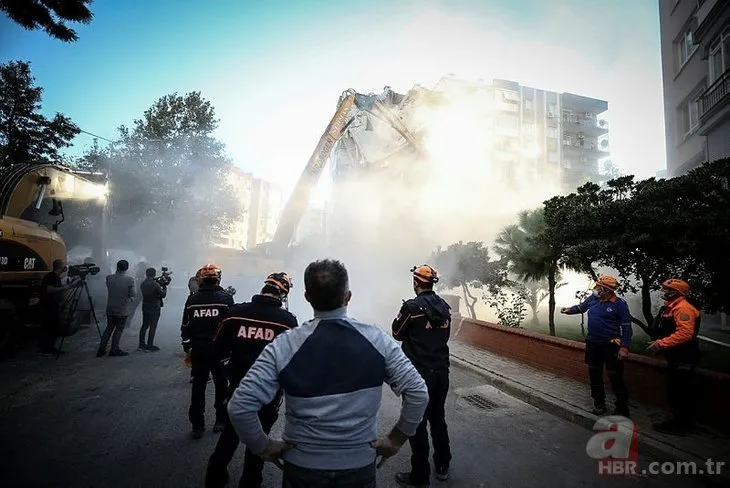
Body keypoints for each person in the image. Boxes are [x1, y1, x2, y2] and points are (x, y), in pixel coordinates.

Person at [227, 259, 429, 488]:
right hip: (359, 465)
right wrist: (395, 440)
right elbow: (418, 393)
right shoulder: (377, 340)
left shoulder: (284, 345)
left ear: (307, 297)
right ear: (348, 296)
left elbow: (240, 405)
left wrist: (262, 446)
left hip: (302, 468)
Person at [206, 272, 298, 488]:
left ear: (264, 287)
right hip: (269, 393)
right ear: (284, 294)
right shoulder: (287, 322)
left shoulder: (235, 313)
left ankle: (214, 478)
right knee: (260, 439)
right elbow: (292, 360)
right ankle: (250, 481)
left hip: (238, 388)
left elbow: (217, 349)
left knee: (230, 434)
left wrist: (230, 372)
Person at [391, 264, 453, 487]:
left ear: (416, 282)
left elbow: (397, 333)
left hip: (418, 375)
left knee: (417, 422)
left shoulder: (412, 307)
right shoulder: (445, 307)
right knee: (438, 418)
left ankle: (420, 475)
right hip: (441, 372)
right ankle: (443, 464)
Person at [561, 275, 632, 417]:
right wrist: (568, 310)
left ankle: (622, 407)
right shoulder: (593, 299)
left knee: (615, 376)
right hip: (593, 343)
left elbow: (627, 328)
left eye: (598, 287)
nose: (595, 289)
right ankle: (599, 403)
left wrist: (624, 348)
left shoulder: (619, 304)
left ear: (606, 290)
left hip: (611, 345)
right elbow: (581, 307)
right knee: (594, 374)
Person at [181, 263, 235, 439]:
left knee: (198, 385)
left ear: (201, 279)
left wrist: (187, 346)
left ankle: (197, 425)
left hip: (199, 349)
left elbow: (185, 325)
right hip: (220, 350)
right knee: (221, 385)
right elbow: (231, 325)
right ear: (218, 279)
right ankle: (220, 420)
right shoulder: (226, 299)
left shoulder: (192, 300)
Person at [647, 278, 701, 435]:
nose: (663, 292)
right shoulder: (671, 307)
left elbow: (685, 333)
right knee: (676, 391)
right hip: (676, 357)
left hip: (685, 357)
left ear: (675, 292)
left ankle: (682, 426)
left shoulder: (683, 309)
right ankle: (680, 422)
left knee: (681, 392)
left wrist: (661, 344)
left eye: (666, 290)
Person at [38, 259, 80, 356]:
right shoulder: (52, 276)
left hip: (51, 305)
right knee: (50, 326)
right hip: (48, 306)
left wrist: (71, 284)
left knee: (50, 326)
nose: (66, 267)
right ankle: (47, 348)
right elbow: (50, 290)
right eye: (64, 265)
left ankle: (46, 347)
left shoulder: (55, 276)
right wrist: (67, 287)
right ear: (60, 267)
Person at [97, 260, 136, 357]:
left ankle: (101, 349)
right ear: (127, 268)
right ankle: (114, 349)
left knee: (109, 328)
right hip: (122, 308)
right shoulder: (130, 280)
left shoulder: (109, 278)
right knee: (119, 329)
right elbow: (133, 294)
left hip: (110, 307)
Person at [139, 267, 167, 351]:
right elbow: (163, 294)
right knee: (153, 326)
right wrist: (165, 287)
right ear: (154, 274)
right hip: (154, 306)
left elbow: (151, 280)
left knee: (144, 325)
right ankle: (150, 345)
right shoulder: (155, 285)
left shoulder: (143, 283)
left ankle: (141, 344)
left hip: (145, 306)